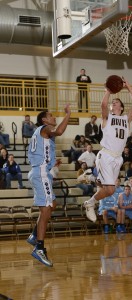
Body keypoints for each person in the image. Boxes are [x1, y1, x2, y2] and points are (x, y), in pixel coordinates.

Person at [84, 78, 132, 222]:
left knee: (108, 190)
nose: (112, 103)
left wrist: (128, 87)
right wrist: (108, 91)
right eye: (112, 102)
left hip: (118, 158)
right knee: (110, 190)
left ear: (121, 107)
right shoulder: (107, 118)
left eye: (116, 102)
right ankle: (90, 202)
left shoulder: (126, 119)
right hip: (106, 155)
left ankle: (95, 180)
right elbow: (103, 104)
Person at [27, 104, 71, 267]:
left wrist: (53, 164)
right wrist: (68, 114)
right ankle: (39, 248)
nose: (54, 118)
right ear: (44, 120)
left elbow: (44, 152)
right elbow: (59, 131)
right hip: (40, 173)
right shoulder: (45, 128)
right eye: (51, 115)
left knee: (52, 204)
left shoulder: (44, 135)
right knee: (46, 209)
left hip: (41, 171)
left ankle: (33, 235)